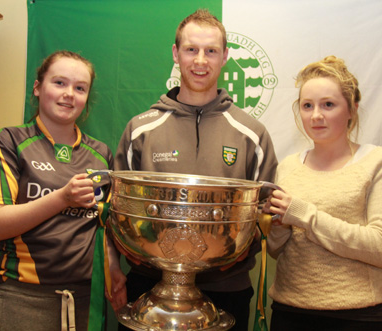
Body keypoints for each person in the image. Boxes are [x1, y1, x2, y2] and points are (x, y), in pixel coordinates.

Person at [114, 9, 277, 331]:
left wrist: (234, 255)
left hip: (227, 288)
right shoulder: (140, 129)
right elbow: (116, 208)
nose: (200, 60)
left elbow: (266, 213)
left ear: (225, 56)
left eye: (211, 51)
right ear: (176, 53)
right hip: (148, 286)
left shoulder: (252, 134)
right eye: (191, 49)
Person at [0, 50, 126, 331]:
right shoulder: (8, 141)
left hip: (85, 298)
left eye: (80, 88)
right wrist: (62, 198)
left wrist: (113, 268)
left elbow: (102, 225)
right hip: (22, 297)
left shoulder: (101, 154)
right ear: (37, 88)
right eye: (59, 83)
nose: (69, 94)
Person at [264, 56, 382, 331]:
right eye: (307, 106)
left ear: (352, 109)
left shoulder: (379, 162)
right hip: (289, 312)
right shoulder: (288, 167)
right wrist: (279, 226)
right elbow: (276, 250)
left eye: (328, 104)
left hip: (359, 316)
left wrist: (304, 214)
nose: (316, 115)